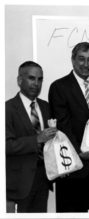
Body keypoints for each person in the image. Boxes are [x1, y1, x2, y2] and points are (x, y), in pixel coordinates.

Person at [48, 42, 89, 212]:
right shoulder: (59, 86)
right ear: (73, 60)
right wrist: (81, 153)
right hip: (70, 164)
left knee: (88, 211)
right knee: (69, 212)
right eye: (81, 59)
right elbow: (63, 127)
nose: (86, 64)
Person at [6, 61, 57, 212]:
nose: (36, 83)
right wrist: (36, 139)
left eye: (40, 79)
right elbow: (6, 145)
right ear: (19, 80)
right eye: (31, 78)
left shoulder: (46, 106)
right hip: (19, 184)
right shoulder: (7, 109)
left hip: (43, 180)